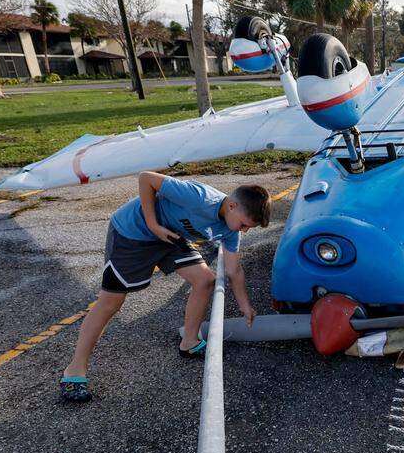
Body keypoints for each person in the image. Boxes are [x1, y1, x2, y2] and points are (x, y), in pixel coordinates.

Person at [60, 172, 271, 404]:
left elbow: (234, 269)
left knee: (205, 280)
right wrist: (153, 223)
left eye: (248, 228)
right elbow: (146, 178)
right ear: (231, 206)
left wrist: (245, 306)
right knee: (111, 301)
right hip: (134, 232)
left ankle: (189, 342)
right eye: (244, 225)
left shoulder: (231, 229)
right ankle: (74, 370)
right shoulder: (199, 197)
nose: (244, 231)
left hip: (170, 237)